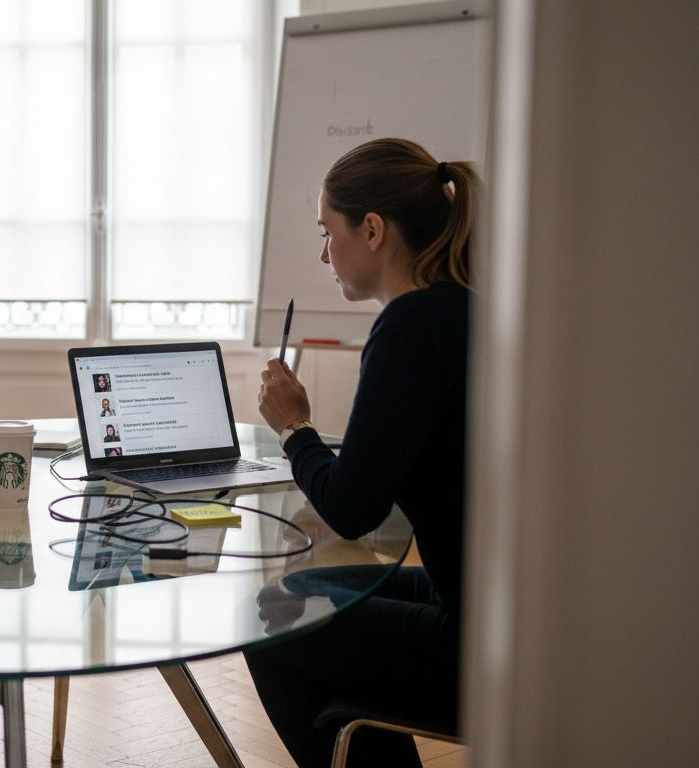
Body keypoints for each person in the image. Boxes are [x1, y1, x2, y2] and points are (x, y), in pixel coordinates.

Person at [244, 138, 477, 768]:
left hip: (479, 646)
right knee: (297, 590)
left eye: (328, 232)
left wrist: (295, 429)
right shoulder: (464, 309)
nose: (324, 253)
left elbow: (351, 509)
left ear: (371, 230)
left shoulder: (410, 326)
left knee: (272, 617)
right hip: (497, 600)